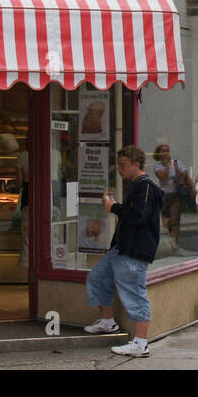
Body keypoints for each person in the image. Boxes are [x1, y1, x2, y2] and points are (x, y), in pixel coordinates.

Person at [83, 146, 164, 357]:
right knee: (97, 279)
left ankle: (141, 343)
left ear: (136, 165)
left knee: (135, 294)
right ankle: (108, 322)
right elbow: (135, 214)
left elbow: (139, 217)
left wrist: (114, 208)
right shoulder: (137, 186)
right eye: (118, 165)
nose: (119, 169)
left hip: (134, 251)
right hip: (121, 248)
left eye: (123, 165)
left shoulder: (145, 187)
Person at [151, 142, 190, 254]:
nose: (166, 152)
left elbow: (186, 176)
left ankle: (174, 243)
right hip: (164, 196)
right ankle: (171, 237)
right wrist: (167, 165)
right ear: (159, 153)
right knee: (166, 222)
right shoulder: (157, 166)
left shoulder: (177, 163)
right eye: (163, 150)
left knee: (174, 220)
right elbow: (163, 178)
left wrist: (193, 189)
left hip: (176, 195)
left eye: (167, 150)